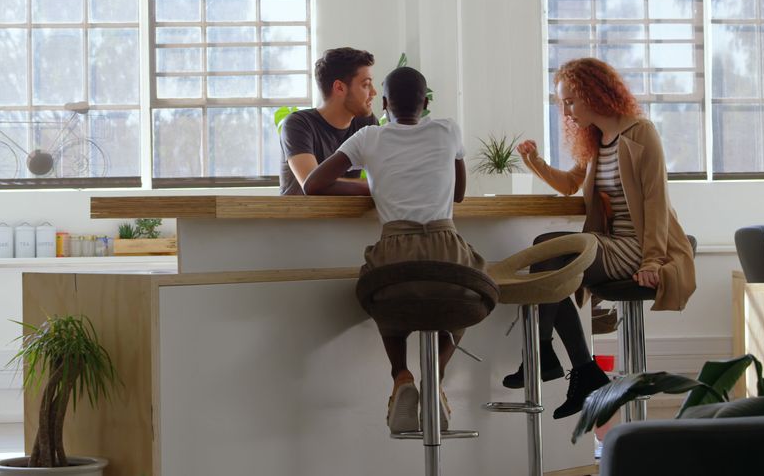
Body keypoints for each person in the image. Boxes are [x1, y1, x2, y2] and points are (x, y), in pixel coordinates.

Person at [509, 57, 696, 419]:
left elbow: (657, 201)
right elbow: (569, 185)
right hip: (609, 244)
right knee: (547, 259)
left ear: (594, 94)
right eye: (561, 102)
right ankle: (578, 368)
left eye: (570, 101)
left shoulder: (641, 133)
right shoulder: (597, 140)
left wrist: (652, 260)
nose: (565, 111)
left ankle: (548, 356)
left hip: (638, 245)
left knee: (551, 252)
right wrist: (534, 161)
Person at [303, 66, 487, 433]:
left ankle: (401, 375)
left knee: (384, 293)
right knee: (474, 291)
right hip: (446, 252)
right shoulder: (447, 129)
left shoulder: (369, 136)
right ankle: (435, 377)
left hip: (395, 253)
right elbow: (460, 194)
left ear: (384, 103)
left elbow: (313, 184)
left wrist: (375, 188)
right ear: (425, 103)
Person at [278, 47, 378, 195]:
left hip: (345, 217)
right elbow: (311, 185)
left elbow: (386, 174)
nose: (374, 92)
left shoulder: (366, 123)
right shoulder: (298, 124)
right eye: (365, 84)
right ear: (339, 88)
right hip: (299, 217)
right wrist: (376, 186)